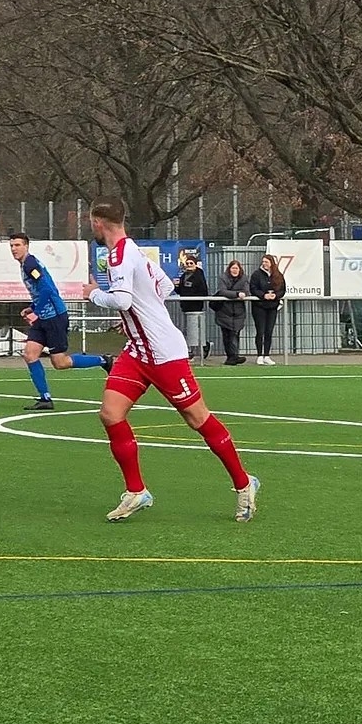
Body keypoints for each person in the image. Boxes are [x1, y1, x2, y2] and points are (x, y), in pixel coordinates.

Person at [81, 196, 258, 522]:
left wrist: (92, 293)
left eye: (90, 221)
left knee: (197, 418)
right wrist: (139, 316)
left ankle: (244, 483)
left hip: (164, 352)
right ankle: (136, 491)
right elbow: (163, 286)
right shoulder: (134, 251)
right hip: (138, 349)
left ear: (97, 222)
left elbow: (122, 300)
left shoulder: (119, 255)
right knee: (110, 413)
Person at [9, 232, 112, 410]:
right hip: (43, 318)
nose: (14, 249)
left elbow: (48, 289)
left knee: (60, 362)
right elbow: (42, 290)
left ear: (26, 246)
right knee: (30, 354)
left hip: (55, 317)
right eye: (11, 246)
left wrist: (36, 312)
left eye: (17, 245)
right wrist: (33, 308)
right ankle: (45, 398)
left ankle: (104, 360)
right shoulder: (26, 264)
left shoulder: (30, 264)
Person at [212, 258, 251, 365]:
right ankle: (232, 356)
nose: (235, 270)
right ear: (229, 269)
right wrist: (237, 294)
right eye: (233, 268)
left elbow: (246, 291)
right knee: (227, 335)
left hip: (238, 312)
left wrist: (236, 293)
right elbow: (222, 291)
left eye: (236, 268)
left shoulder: (244, 278)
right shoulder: (223, 277)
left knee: (235, 334)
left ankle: (233, 356)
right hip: (224, 311)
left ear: (240, 269)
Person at [249, 253, 286, 364]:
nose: (264, 263)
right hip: (259, 307)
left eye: (266, 262)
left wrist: (276, 295)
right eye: (263, 261)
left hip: (272, 307)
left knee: (269, 331)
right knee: (260, 331)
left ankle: (267, 355)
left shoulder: (278, 275)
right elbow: (253, 288)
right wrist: (263, 295)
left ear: (271, 263)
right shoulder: (256, 274)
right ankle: (259, 355)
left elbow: (283, 289)